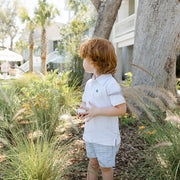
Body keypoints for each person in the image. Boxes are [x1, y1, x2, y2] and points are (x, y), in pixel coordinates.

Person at [78, 38, 126, 180]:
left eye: (84, 58)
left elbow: (121, 109)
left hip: (106, 138)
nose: (83, 61)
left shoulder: (111, 84)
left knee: (105, 167)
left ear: (94, 61)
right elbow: (85, 103)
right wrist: (82, 110)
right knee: (92, 163)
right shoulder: (89, 83)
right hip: (91, 134)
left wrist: (96, 111)